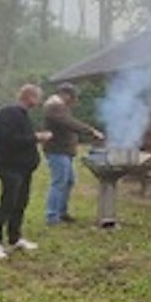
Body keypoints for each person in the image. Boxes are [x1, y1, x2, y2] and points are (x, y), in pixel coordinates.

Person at [0, 84, 52, 259]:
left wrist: (34, 138)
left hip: (24, 168)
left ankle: (15, 238)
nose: (39, 102)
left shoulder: (22, 115)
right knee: (7, 203)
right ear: (29, 96)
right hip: (10, 167)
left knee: (20, 203)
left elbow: (22, 138)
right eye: (38, 97)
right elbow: (9, 139)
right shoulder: (9, 113)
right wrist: (37, 137)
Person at [43, 82, 104, 225]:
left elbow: (70, 122)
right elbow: (69, 123)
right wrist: (91, 131)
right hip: (57, 151)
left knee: (69, 181)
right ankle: (52, 216)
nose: (74, 100)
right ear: (65, 95)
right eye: (73, 97)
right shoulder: (54, 107)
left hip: (65, 151)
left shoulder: (61, 107)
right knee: (59, 182)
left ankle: (62, 213)